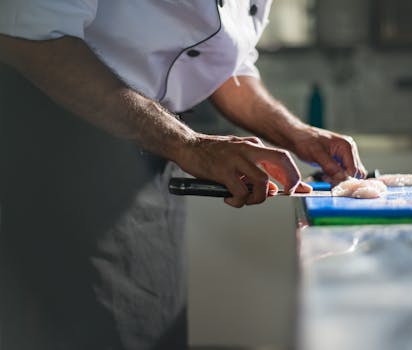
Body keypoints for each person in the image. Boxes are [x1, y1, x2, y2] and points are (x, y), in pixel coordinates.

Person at [0, 1, 366, 349]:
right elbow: (31, 38)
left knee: (155, 328)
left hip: (153, 167)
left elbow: (226, 68)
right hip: (49, 163)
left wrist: (296, 133)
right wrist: (189, 145)